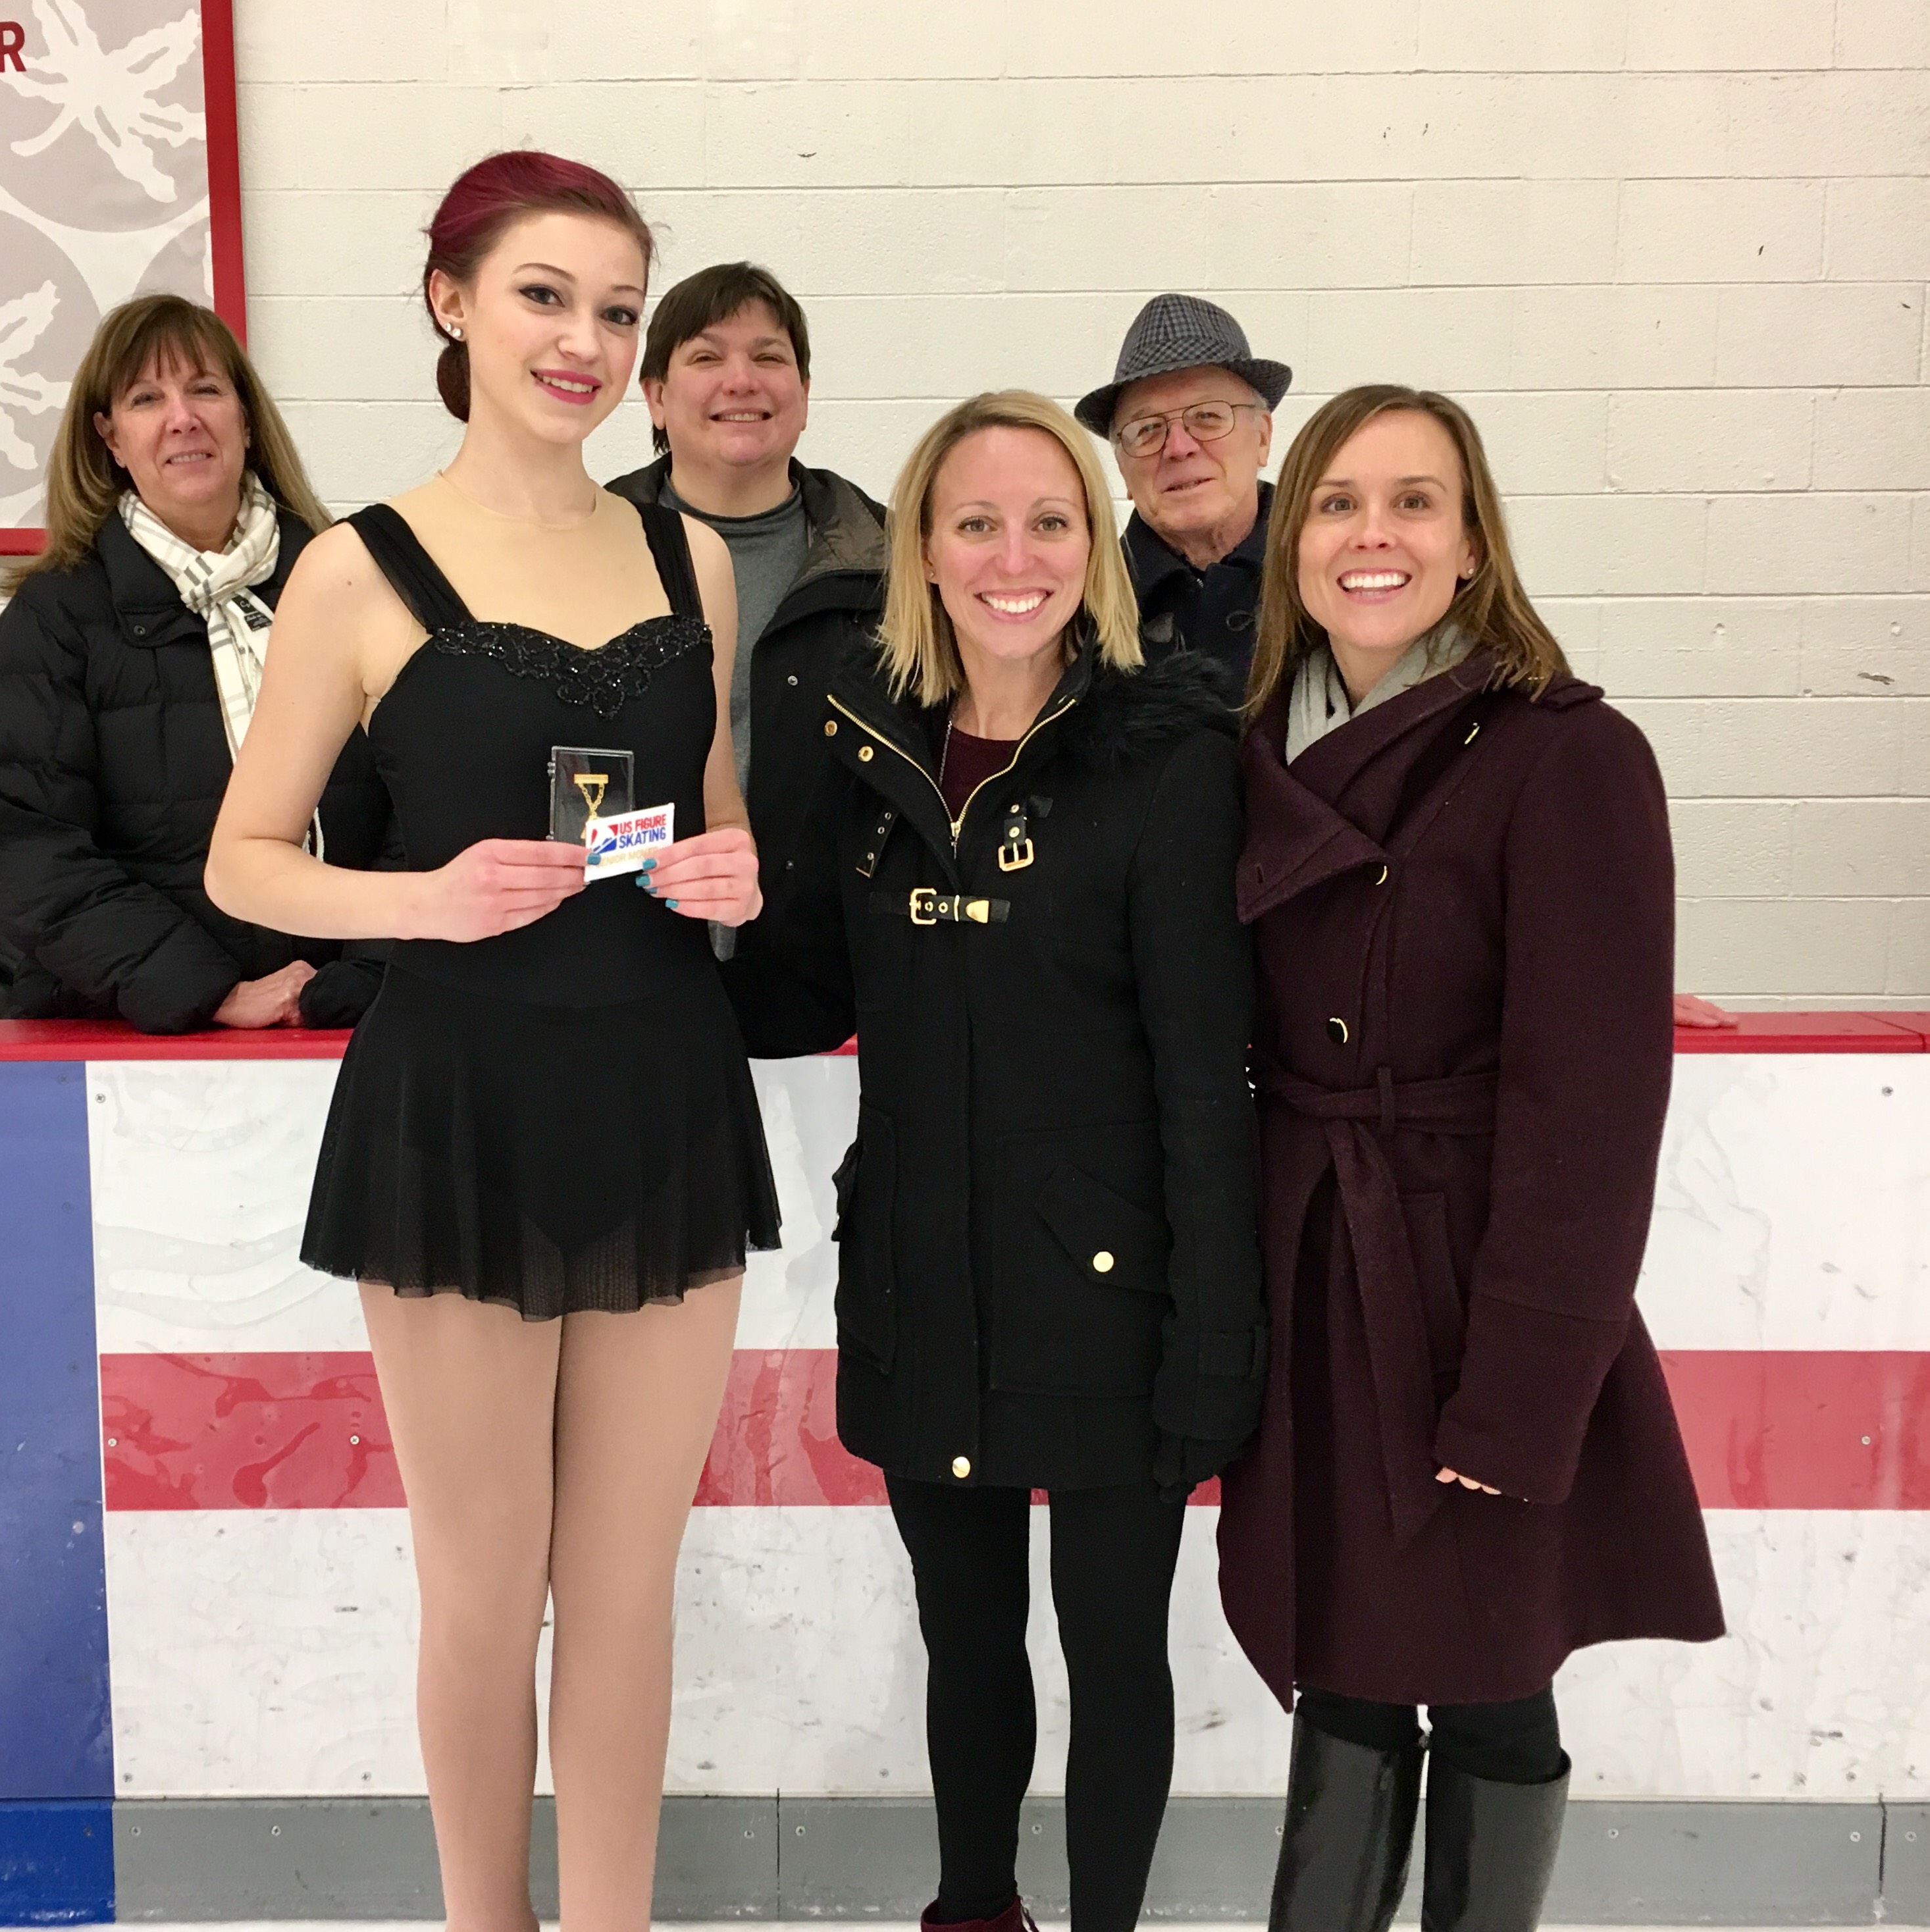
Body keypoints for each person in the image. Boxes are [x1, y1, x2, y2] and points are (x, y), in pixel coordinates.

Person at [202, 151, 780, 1929]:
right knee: (483, 1582)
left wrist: (736, 871)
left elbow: (718, 819)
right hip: (454, 1104)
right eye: (544, 295)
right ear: (452, 302)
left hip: (662, 1090)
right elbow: (243, 858)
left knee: (624, 1588)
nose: (583, 339)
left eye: (615, 309)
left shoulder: (690, 552)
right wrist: (420, 899)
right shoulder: (353, 569)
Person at [725, 391, 1265, 1932]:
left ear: (1093, 544)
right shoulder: (861, 742)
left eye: (1048, 521)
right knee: (966, 1640)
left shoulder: (1168, 754)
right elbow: (794, 997)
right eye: (976, 523)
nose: (1012, 557)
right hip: (919, 1270)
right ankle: (973, 1909)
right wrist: (677, 908)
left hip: (1114, 1293)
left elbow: (1207, 1076)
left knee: (1111, 1648)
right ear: (922, 548)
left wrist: (1214, 1334)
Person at [1223, 385, 1725, 1931]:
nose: (1370, 533)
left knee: (1492, 1677)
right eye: (1336, 501)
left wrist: (1522, 1393)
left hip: (1465, 1296)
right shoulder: (1248, 745)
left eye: (1412, 501)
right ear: (1292, 542)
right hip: (1310, 1276)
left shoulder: (1567, 756)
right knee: (1345, 1669)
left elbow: (1593, 1114)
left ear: (1470, 543)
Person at [0, 294, 392, 1033]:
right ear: (110, 437)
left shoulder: (356, 580)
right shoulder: (55, 617)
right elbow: (28, 847)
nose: (182, 418)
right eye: (146, 399)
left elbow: (427, 800)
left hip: (355, 1015)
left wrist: (365, 974)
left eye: (205, 389)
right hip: (141, 1029)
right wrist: (208, 991)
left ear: (246, 420)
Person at [608, 261, 887, 927]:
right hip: (629, 953)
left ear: (804, 394)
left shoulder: (896, 565)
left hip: (827, 968)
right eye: (707, 357)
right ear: (655, 397)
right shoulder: (581, 553)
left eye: (769, 357)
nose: (741, 380)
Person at [1074, 294, 1289, 708]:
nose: (1178, 447)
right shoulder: (1082, 607)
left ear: (1262, 438)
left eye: (1207, 416)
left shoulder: (1331, 574)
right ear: (1122, 468)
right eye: (1147, 429)